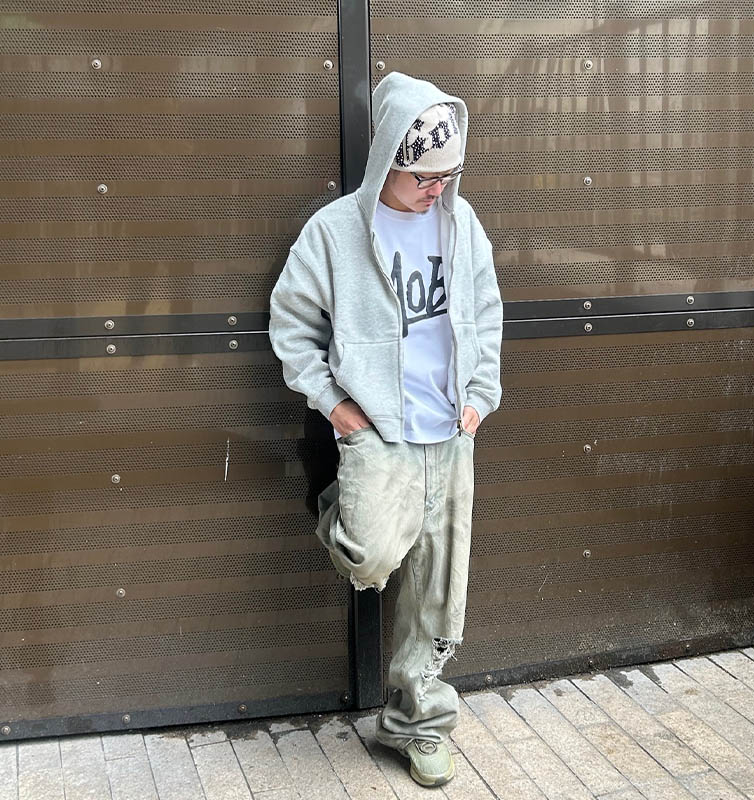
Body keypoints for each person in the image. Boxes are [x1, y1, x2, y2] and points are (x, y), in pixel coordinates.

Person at [269, 71, 502, 787]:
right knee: (367, 558)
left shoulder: (462, 225)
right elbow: (291, 327)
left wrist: (479, 397)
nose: (437, 188)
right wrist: (337, 408)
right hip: (380, 435)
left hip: (450, 433)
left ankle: (416, 725)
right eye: (424, 175)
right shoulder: (335, 231)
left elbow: (486, 311)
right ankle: (338, 502)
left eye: (448, 175)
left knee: (439, 594)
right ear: (388, 161)